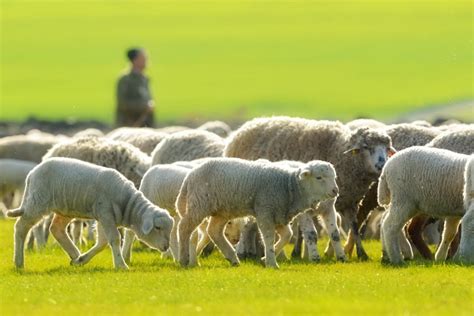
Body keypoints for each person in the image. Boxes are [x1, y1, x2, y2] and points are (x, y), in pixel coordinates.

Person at [116, 48, 155, 127]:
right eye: (143, 58)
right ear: (135, 60)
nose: (146, 61)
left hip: (145, 125)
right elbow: (123, 104)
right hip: (128, 126)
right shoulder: (125, 79)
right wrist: (144, 106)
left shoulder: (145, 78)